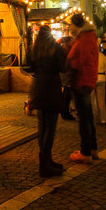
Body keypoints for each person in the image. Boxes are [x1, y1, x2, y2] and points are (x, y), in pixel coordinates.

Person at [29, 25, 67, 177]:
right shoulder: (55, 47)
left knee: (42, 126)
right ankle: (45, 164)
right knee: (50, 127)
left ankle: (46, 160)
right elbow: (63, 67)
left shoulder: (35, 48)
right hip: (51, 87)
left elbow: (30, 66)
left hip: (38, 87)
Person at [66, 13, 99, 164]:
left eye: (70, 25)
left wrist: (70, 69)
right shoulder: (88, 36)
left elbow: (80, 60)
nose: (69, 28)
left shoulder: (84, 38)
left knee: (84, 118)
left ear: (76, 24)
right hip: (87, 79)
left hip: (81, 81)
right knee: (88, 116)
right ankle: (92, 149)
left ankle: (85, 152)